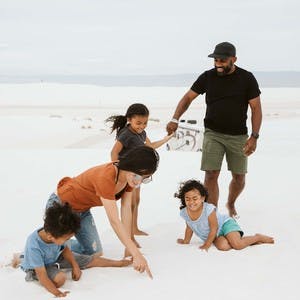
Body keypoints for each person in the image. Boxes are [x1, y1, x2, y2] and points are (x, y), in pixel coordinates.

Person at [166, 42, 262, 218]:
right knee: (211, 174)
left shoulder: (247, 78)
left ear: (234, 59)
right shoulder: (207, 77)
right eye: (216, 59)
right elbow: (188, 97)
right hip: (213, 133)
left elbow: (256, 108)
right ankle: (212, 215)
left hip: (238, 136)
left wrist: (254, 137)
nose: (218, 63)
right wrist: (175, 118)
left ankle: (231, 203)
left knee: (239, 177)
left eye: (222, 60)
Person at [46, 145, 159, 278]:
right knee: (53, 250)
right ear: (129, 166)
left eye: (144, 178)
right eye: (137, 176)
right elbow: (114, 221)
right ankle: (39, 249)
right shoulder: (106, 176)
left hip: (82, 211)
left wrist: (129, 248)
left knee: (94, 252)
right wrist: (137, 254)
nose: (138, 182)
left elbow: (126, 209)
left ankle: (57, 246)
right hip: (61, 205)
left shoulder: (129, 179)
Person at [14, 202, 131, 297]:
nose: (68, 240)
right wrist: (57, 293)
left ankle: (118, 263)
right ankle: (21, 259)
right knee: (60, 279)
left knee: (91, 259)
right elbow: (42, 275)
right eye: (67, 238)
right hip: (41, 267)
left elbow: (65, 249)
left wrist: (75, 266)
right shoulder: (34, 245)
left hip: (56, 256)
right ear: (50, 236)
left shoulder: (55, 234)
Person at [106, 103, 173, 236]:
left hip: (136, 172)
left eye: (145, 123)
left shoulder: (142, 133)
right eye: (138, 123)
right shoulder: (126, 134)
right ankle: (129, 231)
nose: (142, 126)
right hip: (126, 173)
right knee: (129, 202)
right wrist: (117, 169)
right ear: (129, 120)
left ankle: (134, 228)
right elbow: (114, 152)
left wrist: (166, 139)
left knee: (136, 201)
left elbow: (150, 147)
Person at [175, 180, 274, 251]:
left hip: (225, 225)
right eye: (187, 199)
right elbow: (189, 227)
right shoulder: (185, 212)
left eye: (195, 198)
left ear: (202, 198)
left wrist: (207, 244)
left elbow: (214, 228)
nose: (191, 202)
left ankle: (257, 237)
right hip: (216, 235)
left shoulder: (208, 209)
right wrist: (186, 241)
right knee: (223, 247)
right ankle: (243, 241)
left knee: (237, 245)